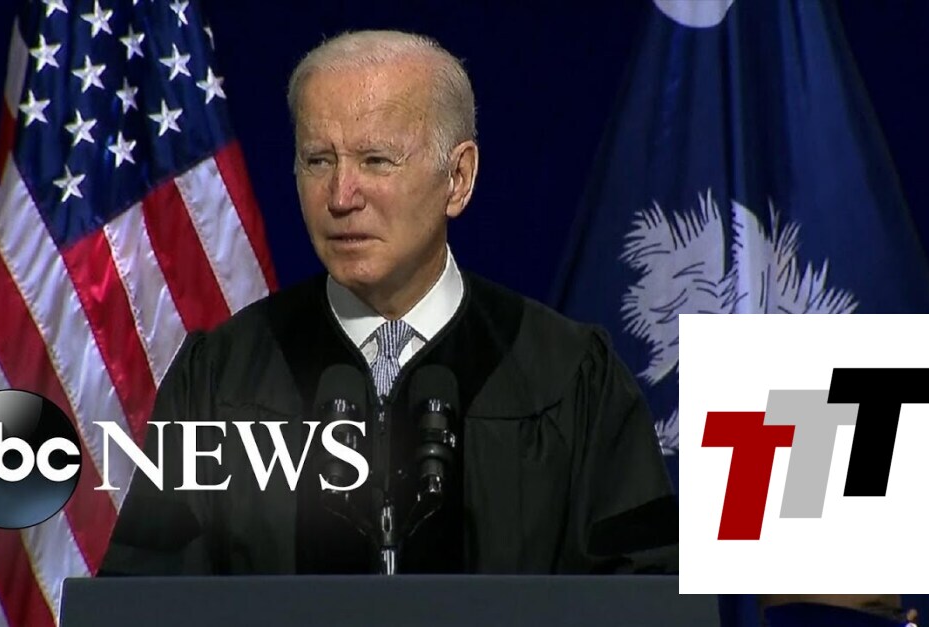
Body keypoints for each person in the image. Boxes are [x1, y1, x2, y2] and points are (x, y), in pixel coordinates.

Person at [100, 30, 677, 576]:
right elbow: (149, 600)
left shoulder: (568, 377)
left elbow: (642, 599)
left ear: (458, 178)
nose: (341, 196)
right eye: (319, 160)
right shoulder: (220, 379)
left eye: (376, 160)